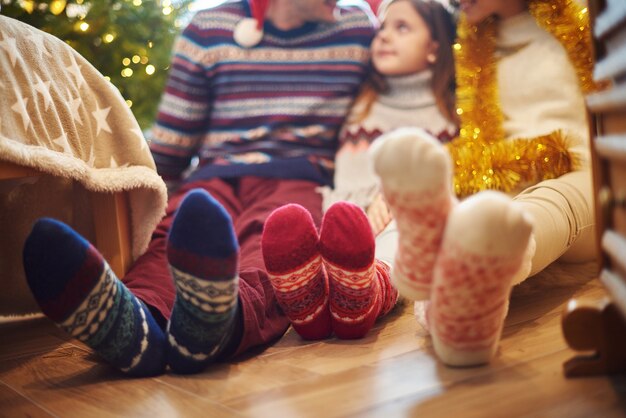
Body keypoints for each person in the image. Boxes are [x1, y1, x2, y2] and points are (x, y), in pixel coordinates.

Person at [22, 0, 376, 376]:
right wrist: (151, 201)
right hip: (212, 176)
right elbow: (173, 142)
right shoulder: (209, 27)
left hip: (299, 176)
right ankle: (140, 325)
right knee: (172, 237)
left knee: (275, 245)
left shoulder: (356, 28)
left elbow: (387, 113)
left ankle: (221, 323)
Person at [371, 0, 601, 366]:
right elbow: (475, 134)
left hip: (583, 173)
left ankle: (483, 258)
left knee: (543, 204)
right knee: (424, 209)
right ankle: (371, 283)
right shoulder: (472, 38)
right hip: (500, 172)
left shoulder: (587, 14)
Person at [260, 0, 457, 340]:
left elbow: (454, 172)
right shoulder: (361, 99)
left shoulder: (448, 112)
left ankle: (366, 298)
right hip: (339, 215)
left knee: (398, 244)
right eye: (382, 28)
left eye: (402, 28)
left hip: (402, 215)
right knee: (308, 230)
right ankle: (313, 307)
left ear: (434, 48)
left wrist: (399, 199)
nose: (384, 37)